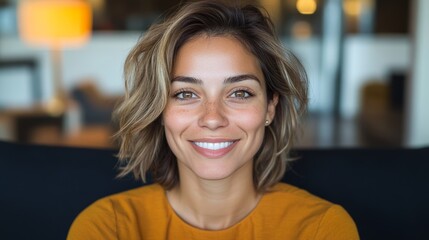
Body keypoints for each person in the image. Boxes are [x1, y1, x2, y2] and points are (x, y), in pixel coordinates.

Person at [67, 1, 359, 239]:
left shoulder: (322, 229)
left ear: (270, 107)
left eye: (240, 93)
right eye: (185, 94)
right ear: (159, 110)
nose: (212, 118)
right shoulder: (107, 228)